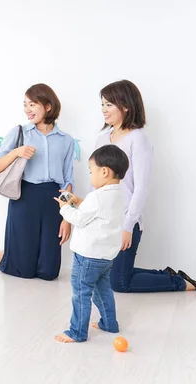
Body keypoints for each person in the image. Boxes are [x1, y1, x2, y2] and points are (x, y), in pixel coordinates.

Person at [96, 80, 196, 292]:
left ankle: (179, 283)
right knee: (110, 275)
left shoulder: (138, 139)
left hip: (125, 219)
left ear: (125, 106)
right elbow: (98, 181)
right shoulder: (102, 138)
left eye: (109, 104)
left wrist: (127, 226)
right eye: (102, 104)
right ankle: (168, 274)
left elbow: (142, 187)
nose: (104, 110)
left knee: (119, 283)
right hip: (105, 218)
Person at [0, 84, 75, 280]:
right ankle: (7, 255)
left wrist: (67, 218)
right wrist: (16, 152)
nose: (27, 109)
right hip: (25, 197)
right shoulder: (20, 132)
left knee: (49, 273)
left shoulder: (66, 140)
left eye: (33, 104)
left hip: (54, 199)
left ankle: (10, 252)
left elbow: (68, 179)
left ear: (48, 106)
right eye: (25, 104)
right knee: (23, 271)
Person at [54, 145, 129, 343]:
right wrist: (77, 201)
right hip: (105, 257)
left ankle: (77, 332)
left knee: (81, 293)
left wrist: (64, 207)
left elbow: (79, 219)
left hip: (87, 256)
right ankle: (109, 323)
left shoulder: (96, 196)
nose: (90, 175)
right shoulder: (117, 193)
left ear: (104, 171)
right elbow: (95, 212)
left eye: (91, 171)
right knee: (103, 291)